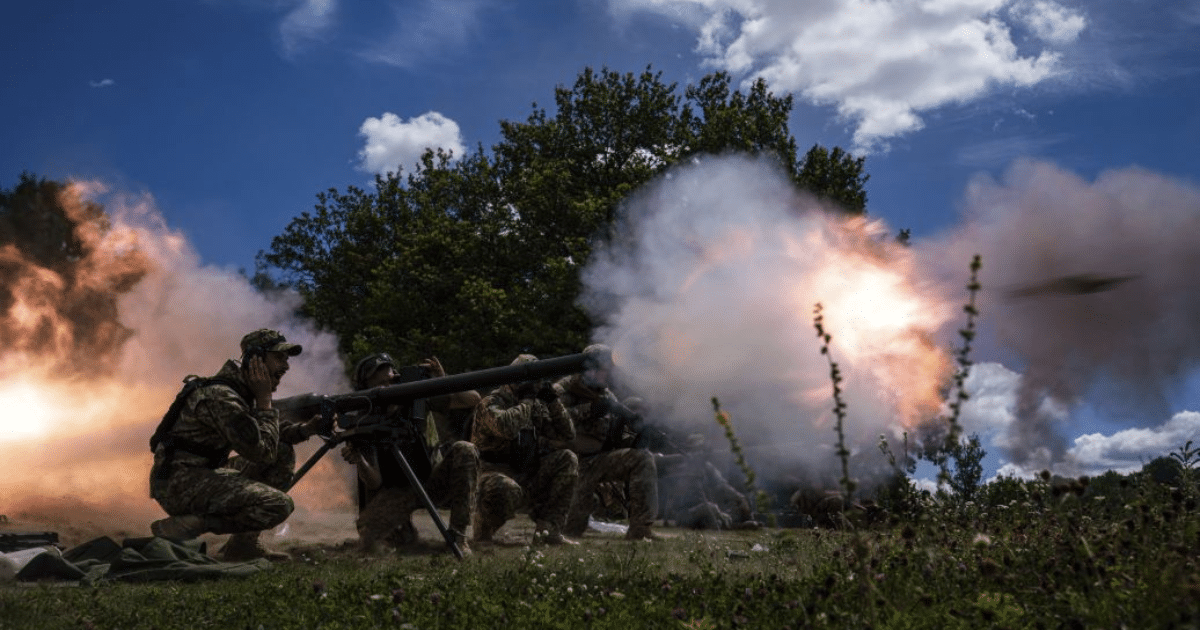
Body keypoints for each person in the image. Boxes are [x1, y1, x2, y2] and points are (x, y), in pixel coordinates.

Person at [148, 329, 327, 561]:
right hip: (178, 484)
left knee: (282, 451)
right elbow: (262, 452)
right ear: (255, 360)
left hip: (200, 473)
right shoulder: (223, 397)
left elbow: (266, 435)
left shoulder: (239, 391)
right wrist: (265, 401)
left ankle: (243, 546)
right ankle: (194, 523)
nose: (286, 366)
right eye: (279, 358)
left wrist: (305, 430)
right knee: (278, 505)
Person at [339, 353, 480, 554]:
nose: (388, 386)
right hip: (396, 492)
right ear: (366, 386)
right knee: (374, 539)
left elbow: (472, 399)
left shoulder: (418, 400)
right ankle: (403, 531)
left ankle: (458, 536)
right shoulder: (363, 421)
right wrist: (359, 459)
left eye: (391, 379)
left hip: (432, 480)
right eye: (380, 384)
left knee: (465, 450)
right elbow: (374, 481)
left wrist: (443, 379)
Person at [552, 345, 660, 541]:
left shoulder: (606, 395)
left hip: (596, 461)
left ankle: (640, 529)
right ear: (589, 369)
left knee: (642, 459)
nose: (607, 375)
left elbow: (616, 437)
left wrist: (634, 431)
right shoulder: (562, 389)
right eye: (603, 370)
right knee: (570, 529)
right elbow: (548, 421)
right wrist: (589, 410)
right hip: (566, 462)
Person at [470, 355, 579, 545]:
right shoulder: (492, 402)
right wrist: (527, 401)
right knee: (504, 487)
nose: (536, 385)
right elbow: (506, 428)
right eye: (533, 380)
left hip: (526, 474)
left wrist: (553, 402)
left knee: (567, 459)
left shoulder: (535, 405)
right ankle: (483, 531)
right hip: (492, 474)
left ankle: (549, 532)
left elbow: (567, 435)